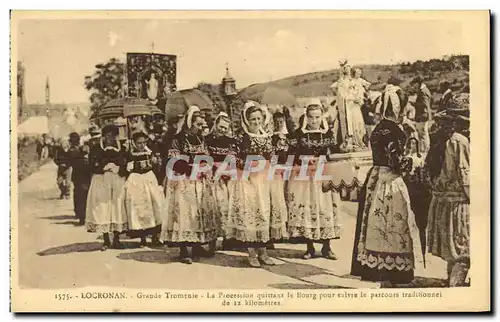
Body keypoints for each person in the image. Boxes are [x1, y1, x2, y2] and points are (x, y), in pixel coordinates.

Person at [350, 84, 423, 286]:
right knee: (394, 223)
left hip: (375, 178)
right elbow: (396, 163)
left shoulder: (379, 127)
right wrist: (415, 161)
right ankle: (394, 275)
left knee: (376, 224)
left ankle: (379, 270)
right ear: (399, 108)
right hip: (390, 182)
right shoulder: (394, 131)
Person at [225, 101, 288, 267]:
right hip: (248, 179)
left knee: (265, 212)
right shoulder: (241, 137)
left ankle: (263, 252)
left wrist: (273, 161)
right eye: (253, 119)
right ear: (247, 120)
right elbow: (231, 157)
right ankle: (251, 253)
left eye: (259, 118)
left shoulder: (267, 137)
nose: (256, 122)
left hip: (265, 179)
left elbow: (274, 155)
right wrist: (246, 165)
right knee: (251, 214)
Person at [161, 106, 218, 264]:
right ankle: (184, 249)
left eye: (202, 125)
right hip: (184, 180)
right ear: (189, 123)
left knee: (198, 213)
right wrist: (192, 168)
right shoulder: (177, 139)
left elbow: (208, 156)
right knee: (185, 213)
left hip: (199, 180)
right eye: (198, 125)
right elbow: (173, 162)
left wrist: (206, 167)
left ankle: (198, 245)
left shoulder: (201, 139)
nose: (200, 128)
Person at [287, 98, 342, 260]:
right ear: (306, 117)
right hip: (306, 178)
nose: (314, 121)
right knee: (308, 209)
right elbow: (291, 155)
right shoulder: (299, 134)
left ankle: (327, 247)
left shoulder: (328, 133)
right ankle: (309, 247)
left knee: (325, 210)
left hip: (323, 176)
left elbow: (335, 154)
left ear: (322, 117)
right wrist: (304, 159)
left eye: (317, 117)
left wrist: (325, 159)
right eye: (311, 117)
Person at [425, 93, 470, 287]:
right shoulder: (459, 141)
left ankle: (450, 282)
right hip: (458, 203)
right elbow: (464, 173)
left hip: (441, 201)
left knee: (453, 251)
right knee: (464, 250)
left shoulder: (439, 138)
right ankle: (456, 289)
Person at [86, 124, 128, 251]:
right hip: (101, 180)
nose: (110, 138)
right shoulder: (96, 148)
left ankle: (116, 239)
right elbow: (91, 165)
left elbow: (126, 163)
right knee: (102, 208)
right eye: (108, 135)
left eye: (113, 135)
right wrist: (102, 168)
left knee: (117, 207)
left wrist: (119, 168)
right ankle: (105, 240)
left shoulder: (122, 147)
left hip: (117, 180)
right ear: (103, 136)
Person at [124, 129, 163, 247]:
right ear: (134, 143)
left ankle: (155, 236)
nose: (142, 145)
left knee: (154, 205)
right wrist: (129, 166)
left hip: (149, 178)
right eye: (139, 143)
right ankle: (142, 238)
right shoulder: (129, 153)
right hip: (136, 180)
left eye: (144, 142)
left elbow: (156, 168)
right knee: (140, 208)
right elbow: (126, 168)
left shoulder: (150, 152)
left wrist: (156, 163)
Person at [205, 112, 237, 253]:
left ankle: (228, 239)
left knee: (227, 207)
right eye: (221, 126)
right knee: (213, 208)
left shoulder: (230, 141)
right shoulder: (207, 140)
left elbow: (232, 159)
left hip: (226, 176)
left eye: (226, 128)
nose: (223, 130)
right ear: (216, 124)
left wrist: (226, 171)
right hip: (212, 176)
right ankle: (211, 242)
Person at [330, 61, 367, 148]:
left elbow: (358, 91)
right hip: (347, 105)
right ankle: (349, 141)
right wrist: (348, 97)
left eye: (349, 67)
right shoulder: (341, 81)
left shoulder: (354, 80)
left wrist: (359, 98)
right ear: (343, 69)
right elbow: (338, 91)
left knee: (358, 123)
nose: (348, 69)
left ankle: (359, 141)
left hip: (355, 105)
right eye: (346, 67)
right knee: (349, 123)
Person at [67, 132, 92, 226]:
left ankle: (81, 216)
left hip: (78, 177)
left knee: (79, 197)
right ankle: (83, 216)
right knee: (84, 197)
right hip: (85, 176)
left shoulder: (72, 151)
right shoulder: (81, 150)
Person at [410, 76, 432, 154]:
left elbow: (424, 104)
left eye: (414, 84)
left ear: (418, 83)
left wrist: (414, 104)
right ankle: (424, 150)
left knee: (423, 134)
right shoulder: (424, 90)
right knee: (423, 134)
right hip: (423, 115)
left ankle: (425, 150)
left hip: (422, 115)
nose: (414, 86)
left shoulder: (423, 91)